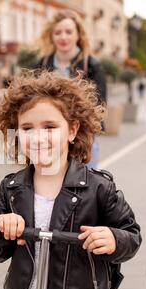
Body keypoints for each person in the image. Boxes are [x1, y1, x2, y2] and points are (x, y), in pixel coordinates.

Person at [0, 71, 142, 289]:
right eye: (27, 128)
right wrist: (0, 229)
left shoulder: (98, 188)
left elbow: (132, 236)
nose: (38, 138)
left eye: (49, 127)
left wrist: (114, 239)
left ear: (72, 130)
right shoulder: (11, 188)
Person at [33, 9, 107, 170]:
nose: (63, 37)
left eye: (68, 32)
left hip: (83, 136)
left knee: (82, 187)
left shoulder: (92, 64)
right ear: (52, 36)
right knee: (52, 185)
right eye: (58, 32)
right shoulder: (42, 63)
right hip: (50, 137)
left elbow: (100, 104)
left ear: (78, 35)